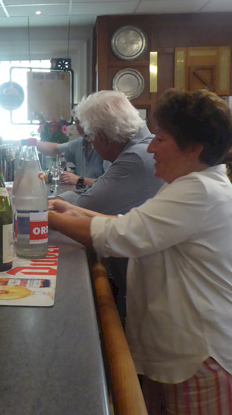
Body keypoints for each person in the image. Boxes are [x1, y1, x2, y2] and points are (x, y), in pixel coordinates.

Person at [48, 89, 232, 414]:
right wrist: (72, 210)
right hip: (180, 355)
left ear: (194, 148)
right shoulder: (184, 184)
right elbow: (133, 224)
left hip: (206, 357)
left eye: (160, 139)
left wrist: (41, 215)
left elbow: (119, 236)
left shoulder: (199, 189)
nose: (150, 147)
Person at [57, 91, 164, 317]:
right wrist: (58, 203)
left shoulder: (136, 156)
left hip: (144, 288)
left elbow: (88, 205)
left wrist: (45, 210)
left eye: (90, 137)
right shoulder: (138, 147)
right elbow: (95, 193)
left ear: (102, 137)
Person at [37, 117, 110, 188]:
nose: (80, 125)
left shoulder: (105, 145)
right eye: (77, 122)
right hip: (83, 193)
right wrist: (34, 144)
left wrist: (80, 180)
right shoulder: (79, 143)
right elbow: (56, 149)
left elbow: (110, 183)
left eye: (83, 121)